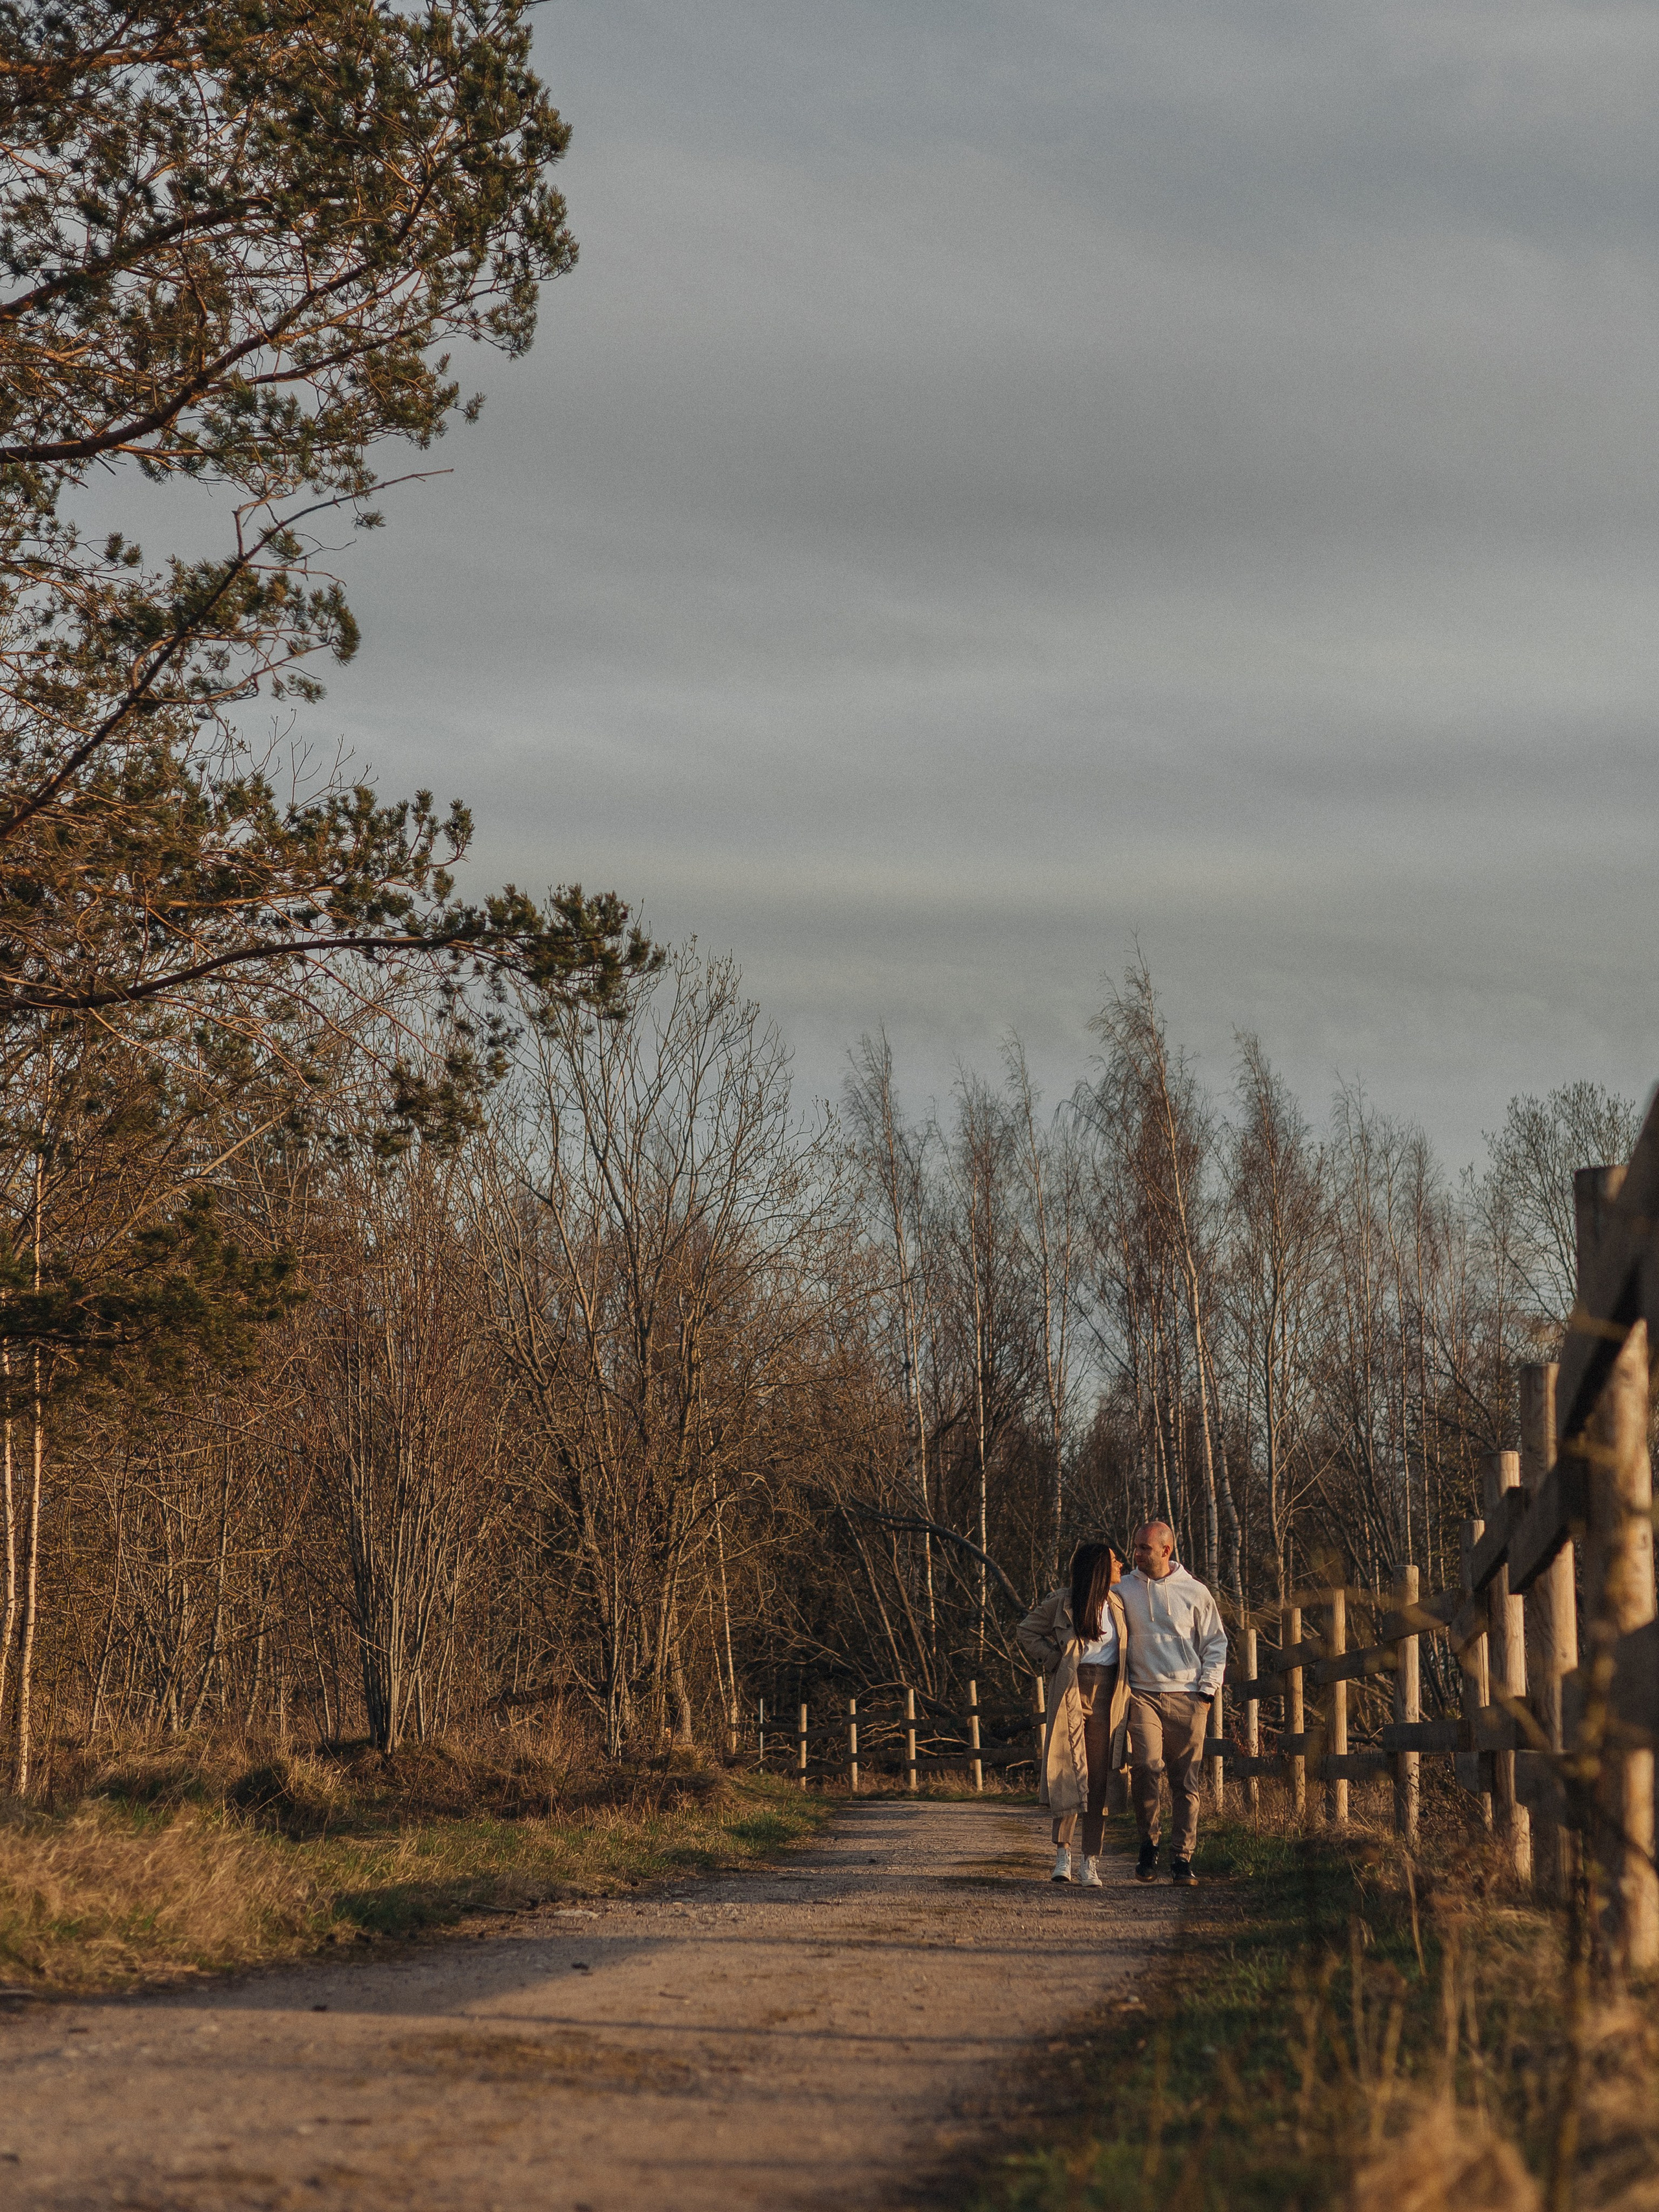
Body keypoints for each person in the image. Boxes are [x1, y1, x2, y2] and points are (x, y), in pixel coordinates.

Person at [1117, 1519, 1228, 1887]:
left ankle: (1182, 1859)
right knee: (1146, 1768)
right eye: (1135, 1546)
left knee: (1186, 1782)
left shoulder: (1195, 1592)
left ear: (1166, 1550)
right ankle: (1148, 1845)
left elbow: (1216, 1643)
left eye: (1144, 1548)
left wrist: (1207, 1691)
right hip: (1142, 1694)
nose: (1137, 1554)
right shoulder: (1124, 1589)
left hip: (1188, 1696)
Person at [1016, 1540, 1130, 1888]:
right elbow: (1026, 1631)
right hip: (1071, 1688)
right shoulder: (1063, 1602)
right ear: (1098, 1567)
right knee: (1068, 1770)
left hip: (1109, 1694)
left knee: (1099, 1777)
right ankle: (1062, 1857)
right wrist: (1053, 1661)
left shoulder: (1119, 1604)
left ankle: (1090, 1861)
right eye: (1114, 1560)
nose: (1121, 1565)